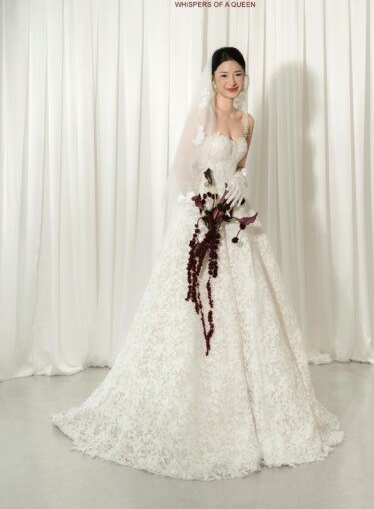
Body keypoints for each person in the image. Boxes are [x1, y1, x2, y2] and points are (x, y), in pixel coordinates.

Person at [50, 46, 344, 481]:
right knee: (192, 311)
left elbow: (241, 164)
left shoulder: (248, 121)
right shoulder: (202, 116)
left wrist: (240, 181)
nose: (232, 81)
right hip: (201, 219)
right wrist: (204, 204)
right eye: (224, 74)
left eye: (238, 74)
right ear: (212, 78)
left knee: (250, 314)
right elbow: (181, 169)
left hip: (236, 223)